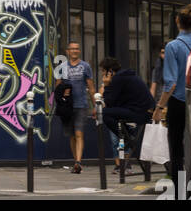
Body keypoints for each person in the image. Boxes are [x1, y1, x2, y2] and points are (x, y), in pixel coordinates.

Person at [152, 3, 191, 197]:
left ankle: (180, 192)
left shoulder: (173, 46)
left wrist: (159, 106)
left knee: (176, 148)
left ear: (177, 21)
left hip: (179, 102)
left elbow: (170, 83)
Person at [98, 57, 154, 177]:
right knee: (108, 114)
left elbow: (110, 102)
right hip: (142, 111)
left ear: (110, 71)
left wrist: (107, 85)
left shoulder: (118, 79)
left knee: (105, 113)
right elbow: (118, 101)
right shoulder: (125, 77)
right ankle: (128, 135)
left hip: (140, 114)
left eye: (103, 71)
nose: (102, 74)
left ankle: (127, 136)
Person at [58, 41, 96, 174]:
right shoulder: (62, 67)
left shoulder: (85, 66)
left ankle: (79, 162)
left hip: (81, 105)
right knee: (72, 136)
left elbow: (91, 88)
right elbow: (57, 87)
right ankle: (76, 162)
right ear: (67, 51)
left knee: (79, 133)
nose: (74, 51)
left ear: (79, 51)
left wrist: (95, 106)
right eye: (72, 49)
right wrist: (63, 93)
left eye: (77, 49)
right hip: (67, 107)